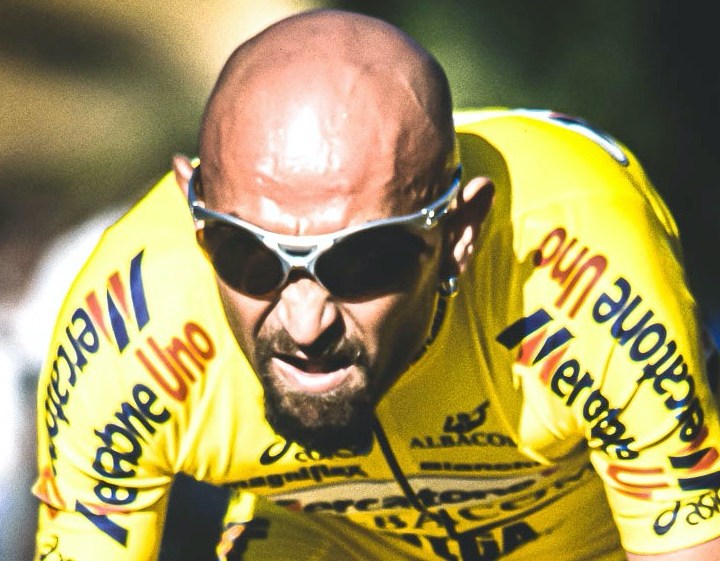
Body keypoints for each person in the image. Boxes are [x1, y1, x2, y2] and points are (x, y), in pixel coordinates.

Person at [32, 9, 720, 561]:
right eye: (249, 256)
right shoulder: (130, 325)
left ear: (459, 234)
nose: (304, 324)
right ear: (197, 218)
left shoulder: (574, 265)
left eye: (362, 261)